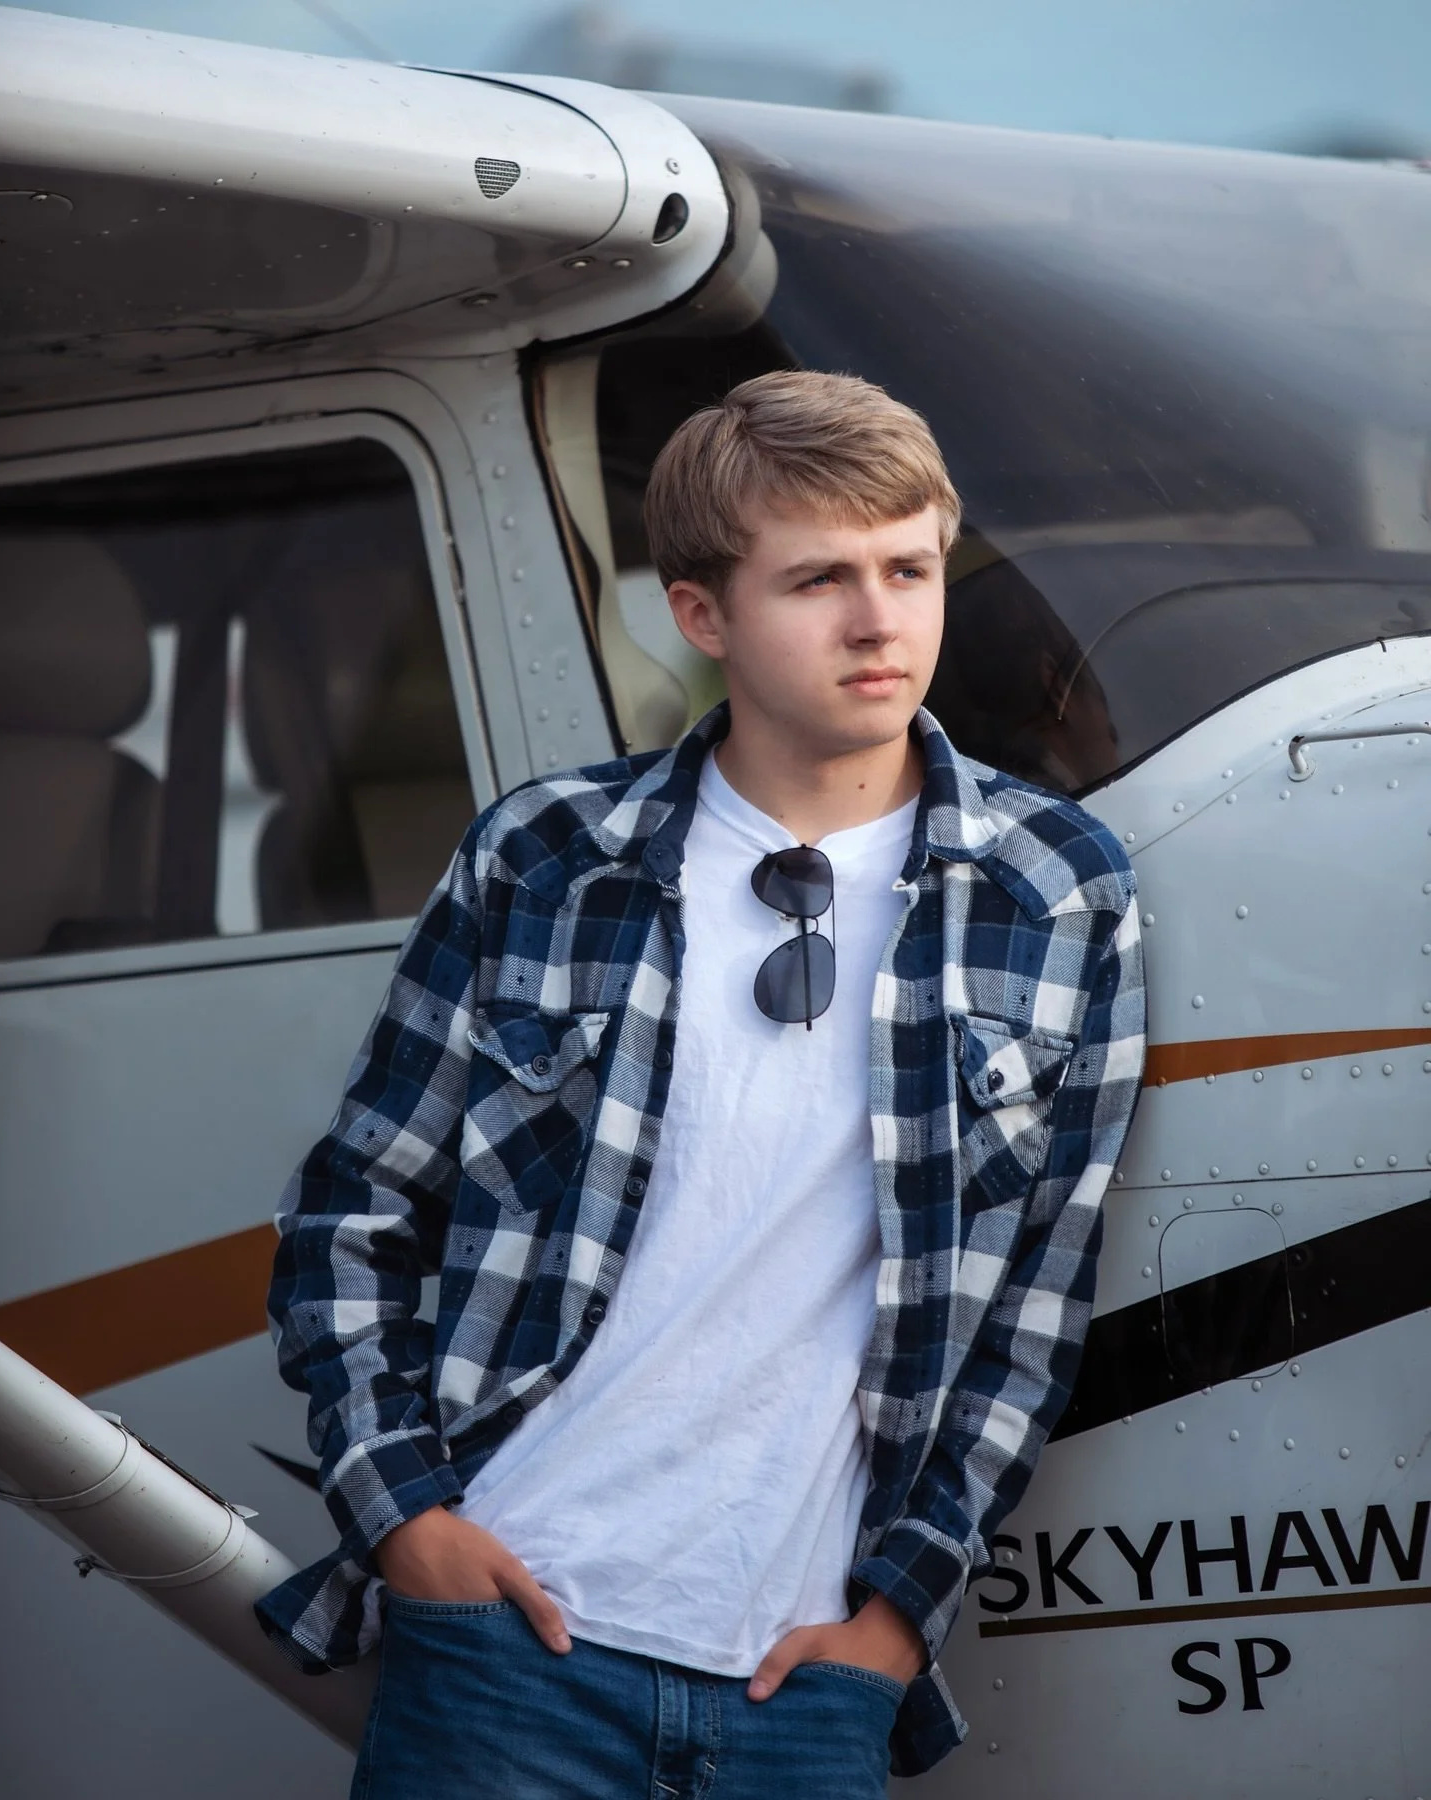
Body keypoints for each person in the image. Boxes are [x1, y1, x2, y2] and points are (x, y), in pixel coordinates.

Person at [254, 369, 1147, 1797]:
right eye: (818, 580)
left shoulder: (1058, 891)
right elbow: (352, 1213)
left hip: (808, 1684)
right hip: (510, 1650)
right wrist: (406, 1517)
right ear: (699, 613)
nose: (880, 620)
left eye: (909, 567)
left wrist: (898, 1620)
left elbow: (1029, 1314)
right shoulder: (546, 857)